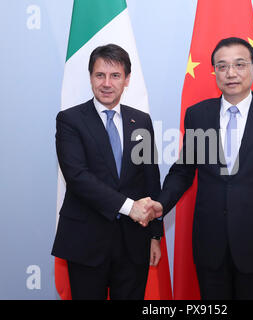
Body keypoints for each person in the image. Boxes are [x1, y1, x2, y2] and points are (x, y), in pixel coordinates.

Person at [156, 37, 253, 299]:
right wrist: (159, 205)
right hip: (211, 246)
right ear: (214, 72)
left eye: (239, 64)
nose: (231, 73)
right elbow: (183, 171)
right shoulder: (198, 115)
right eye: (222, 66)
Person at [52, 44, 163, 300]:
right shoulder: (70, 120)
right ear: (90, 77)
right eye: (99, 75)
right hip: (86, 241)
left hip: (134, 242)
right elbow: (77, 177)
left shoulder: (141, 120)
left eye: (115, 76)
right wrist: (128, 206)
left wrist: (155, 235)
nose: (106, 83)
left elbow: (150, 178)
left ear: (127, 80)